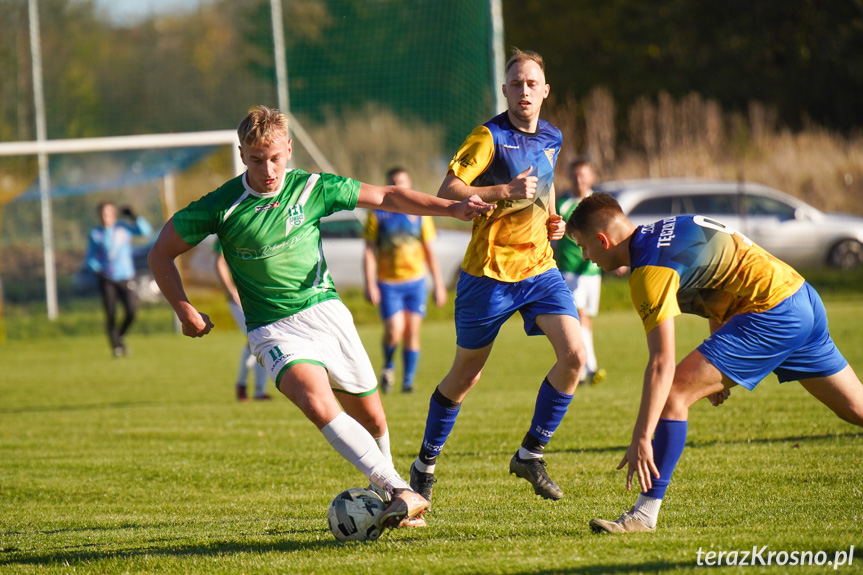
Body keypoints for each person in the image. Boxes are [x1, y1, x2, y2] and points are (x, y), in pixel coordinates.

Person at [148, 105, 494, 530]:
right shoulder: (222, 205)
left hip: (326, 315)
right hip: (272, 328)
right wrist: (184, 309)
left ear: (288, 150)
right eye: (256, 159)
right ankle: (399, 488)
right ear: (242, 155)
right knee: (315, 400)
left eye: (275, 157)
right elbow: (161, 251)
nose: (268, 168)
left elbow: (385, 196)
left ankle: (393, 497)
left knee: (372, 419)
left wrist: (450, 209)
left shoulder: (312, 188)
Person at [566, 192, 863, 533]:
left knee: (673, 394)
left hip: (771, 314)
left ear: (603, 240)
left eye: (584, 247)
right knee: (855, 407)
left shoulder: (647, 273)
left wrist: (642, 436)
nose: (586, 257)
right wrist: (716, 356)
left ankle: (643, 516)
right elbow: (720, 277)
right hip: (800, 296)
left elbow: (661, 364)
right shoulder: (667, 227)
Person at [408, 48, 587, 505]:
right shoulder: (488, 136)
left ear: (545, 91)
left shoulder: (552, 136)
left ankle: (530, 454)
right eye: (516, 84)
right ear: (504, 90)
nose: (524, 91)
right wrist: (502, 190)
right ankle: (424, 464)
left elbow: (542, 187)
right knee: (466, 375)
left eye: (532, 84)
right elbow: (448, 190)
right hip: (487, 274)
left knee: (574, 356)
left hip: (540, 269)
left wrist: (553, 219)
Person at [363, 167, 448, 394]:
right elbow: (369, 251)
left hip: (416, 282)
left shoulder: (420, 214)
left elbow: (429, 250)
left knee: (412, 332)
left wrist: (438, 284)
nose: (399, 187)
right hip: (388, 283)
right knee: (395, 329)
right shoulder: (378, 213)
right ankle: (389, 365)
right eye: (394, 183)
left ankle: (408, 382)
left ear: (410, 184)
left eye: (402, 182)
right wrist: (369, 283)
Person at [555, 158, 605, 386]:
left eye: (583, 175)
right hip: (569, 271)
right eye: (575, 175)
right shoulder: (563, 204)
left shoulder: (598, 203)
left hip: (593, 271)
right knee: (579, 316)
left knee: (587, 319)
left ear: (592, 177)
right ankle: (589, 368)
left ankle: (585, 369)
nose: (579, 179)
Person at [85, 201, 153, 357]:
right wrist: (97, 269)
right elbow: (90, 257)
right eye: (102, 214)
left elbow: (145, 231)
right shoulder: (96, 234)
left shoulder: (123, 229)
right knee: (111, 313)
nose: (105, 217)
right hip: (107, 278)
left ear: (114, 215)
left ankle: (120, 336)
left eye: (108, 214)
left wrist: (134, 217)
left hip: (125, 276)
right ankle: (116, 347)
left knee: (131, 310)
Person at [214, 243, 271, 402]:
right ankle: (246, 387)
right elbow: (219, 261)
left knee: (260, 339)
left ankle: (255, 389)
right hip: (240, 297)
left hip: (259, 296)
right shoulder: (229, 224)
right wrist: (230, 289)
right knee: (257, 338)